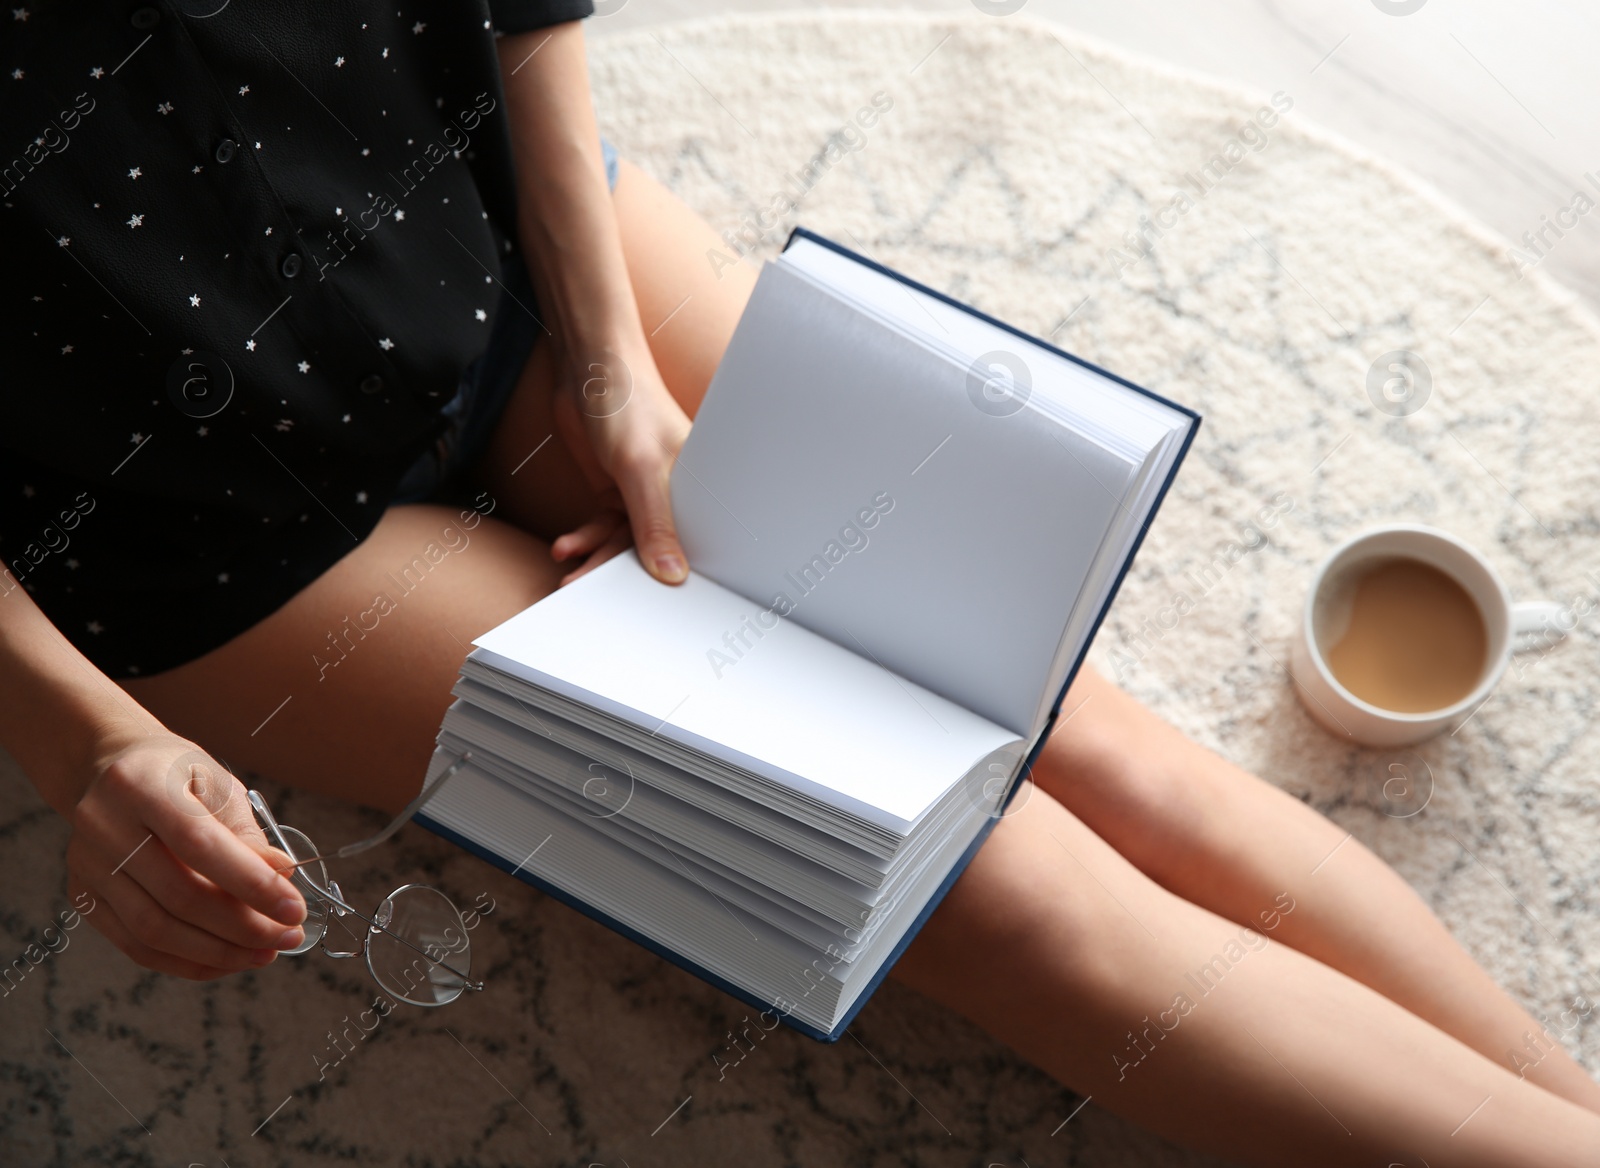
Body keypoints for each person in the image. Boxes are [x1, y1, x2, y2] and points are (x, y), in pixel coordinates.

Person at [1, 5, 1596, 1165]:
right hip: (199, 529)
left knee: (1055, 727)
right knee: (993, 892)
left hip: (479, 218)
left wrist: (614, 364)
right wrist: (86, 744)